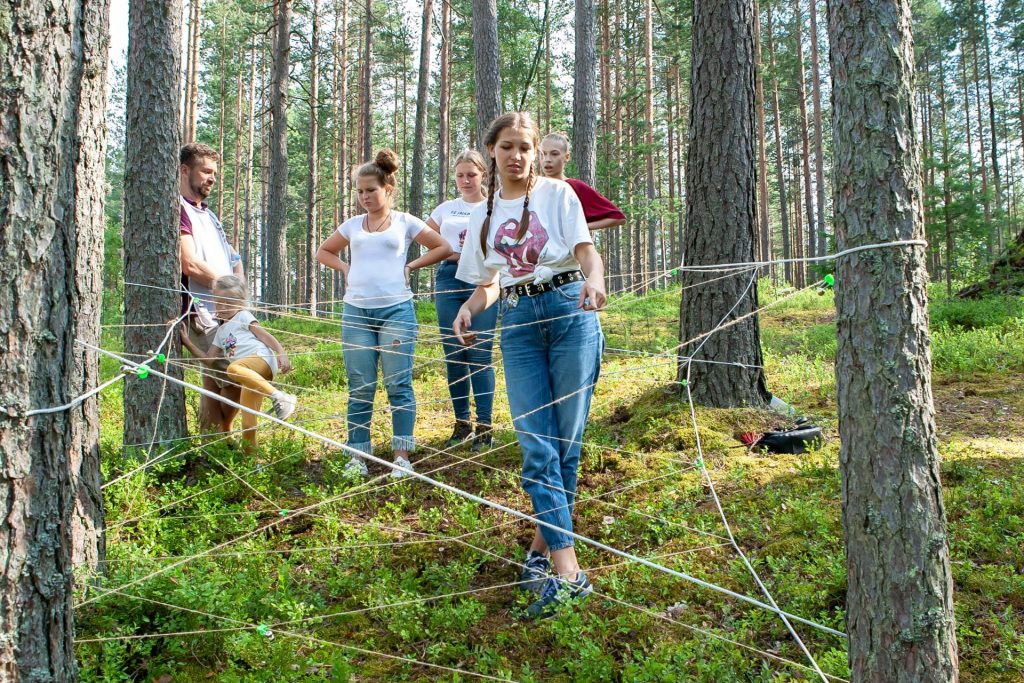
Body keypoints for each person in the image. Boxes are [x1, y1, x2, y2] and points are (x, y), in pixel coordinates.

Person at [453, 113, 606, 618]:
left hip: (569, 313)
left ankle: (543, 557)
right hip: (517, 324)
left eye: (525, 146)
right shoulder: (484, 214)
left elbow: (586, 251)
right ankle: (571, 573)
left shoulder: (558, 194)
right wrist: (468, 308)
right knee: (536, 446)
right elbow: (491, 282)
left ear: (536, 150)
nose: (516, 156)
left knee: (565, 447)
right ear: (491, 151)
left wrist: (595, 281)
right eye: (507, 147)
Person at [316, 150, 452, 479]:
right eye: (360, 191)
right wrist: (345, 267)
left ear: (387, 189)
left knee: (398, 384)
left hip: (397, 312)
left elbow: (443, 247)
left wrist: (412, 265)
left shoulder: (406, 222)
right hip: (356, 312)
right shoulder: (351, 226)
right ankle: (357, 455)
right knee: (360, 385)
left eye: (370, 190)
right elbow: (324, 251)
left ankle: (401, 457)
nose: (364, 197)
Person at [425, 150, 497, 451]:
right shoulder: (446, 209)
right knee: (454, 353)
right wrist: (452, 253)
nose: (466, 180)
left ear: (483, 175)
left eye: (471, 174)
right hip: (449, 278)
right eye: (460, 175)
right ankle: (461, 423)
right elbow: (425, 237)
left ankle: (484, 426)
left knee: (479, 354)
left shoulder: (494, 205)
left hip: (482, 279)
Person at [177, 142, 244, 434]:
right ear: (184, 170)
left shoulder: (208, 214)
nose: (211, 178)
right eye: (205, 171)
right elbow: (188, 263)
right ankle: (222, 435)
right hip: (200, 311)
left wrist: (238, 290)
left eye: (214, 173)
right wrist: (227, 291)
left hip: (225, 311)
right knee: (234, 377)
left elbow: (233, 256)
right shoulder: (179, 209)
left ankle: (211, 441)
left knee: (212, 377)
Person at [198, 275, 297, 450]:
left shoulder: (243, 316)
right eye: (219, 302)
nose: (224, 307)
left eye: (229, 302)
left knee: (233, 368)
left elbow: (265, 336)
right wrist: (186, 341)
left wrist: (281, 353)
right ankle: (251, 463)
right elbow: (209, 359)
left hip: (261, 359)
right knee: (248, 422)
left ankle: (280, 397)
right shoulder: (221, 331)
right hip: (250, 377)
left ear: (241, 302)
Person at [539, 131, 626, 232]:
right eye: (543, 154)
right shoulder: (533, 188)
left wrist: (581, 227)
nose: (547, 159)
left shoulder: (574, 187)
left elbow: (618, 217)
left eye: (554, 154)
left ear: (567, 157)